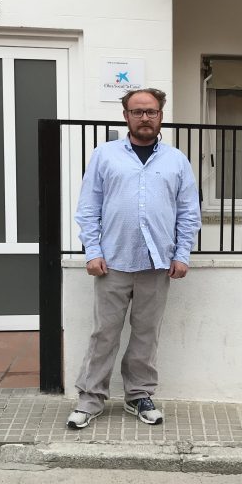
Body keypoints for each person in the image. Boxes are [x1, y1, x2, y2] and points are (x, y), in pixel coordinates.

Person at [67, 88, 201, 428]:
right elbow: (88, 208)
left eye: (151, 112)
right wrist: (93, 251)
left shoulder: (176, 160)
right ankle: (90, 398)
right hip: (112, 262)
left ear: (161, 116)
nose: (145, 118)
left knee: (146, 334)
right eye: (138, 111)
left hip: (157, 264)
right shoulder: (105, 155)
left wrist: (182, 254)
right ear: (126, 116)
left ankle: (139, 395)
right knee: (104, 334)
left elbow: (188, 212)